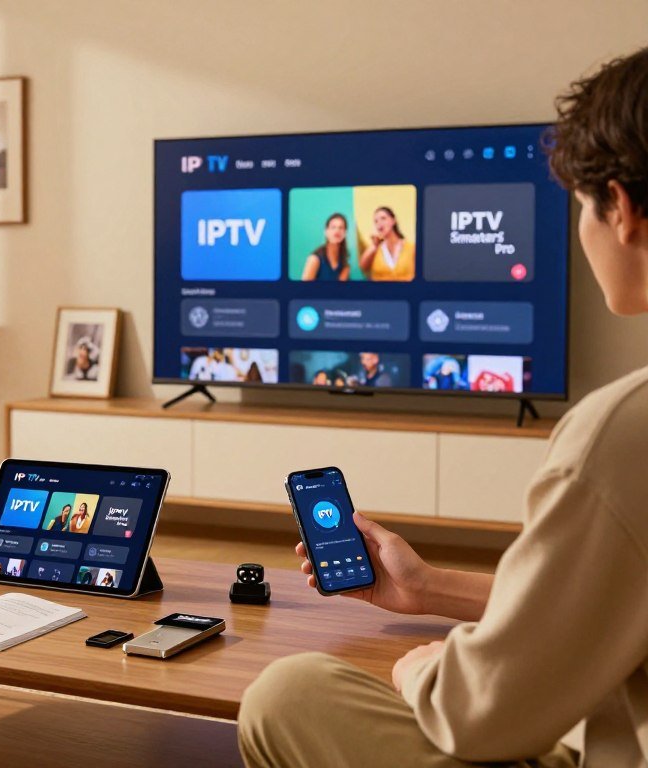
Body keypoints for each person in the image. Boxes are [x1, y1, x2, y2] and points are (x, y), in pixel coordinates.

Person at [239, 46, 648, 768]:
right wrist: (429, 587)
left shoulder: (622, 431)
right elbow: (597, 614)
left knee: (289, 690)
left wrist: (419, 668)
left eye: (579, 207)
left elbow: (479, 717)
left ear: (620, 208)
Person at [358, 206, 415, 281]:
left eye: (383, 218)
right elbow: (362, 267)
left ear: (393, 221)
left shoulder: (411, 248)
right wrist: (374, 245)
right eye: (376, 221)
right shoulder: (375, 249)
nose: (379, 223)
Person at [301, 213, 351, 281]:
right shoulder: (314, 259)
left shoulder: (345, 265)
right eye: (333, 227)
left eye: (341, 227)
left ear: (345, 233)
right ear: (326, 232)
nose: (337, 230)